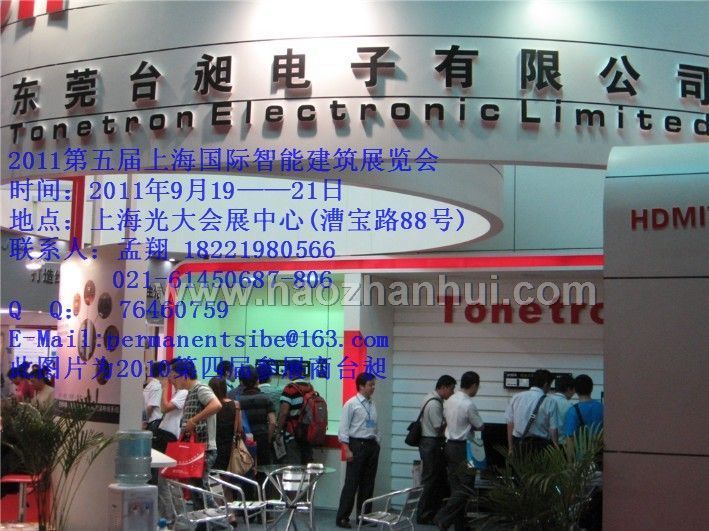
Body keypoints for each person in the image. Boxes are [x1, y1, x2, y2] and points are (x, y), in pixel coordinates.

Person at [434, 371, 484, 531]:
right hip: (464, 448)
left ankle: (460, 525)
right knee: (467, 486)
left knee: (456, 486)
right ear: (474, 385)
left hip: (449, 446)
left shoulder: (449, 400)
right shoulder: (468, 404)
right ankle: (443, 517)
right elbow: (480, 425)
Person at [171, 357, 222, 510]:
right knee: (197, 491)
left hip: (204, 448)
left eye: (175, 376)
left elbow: (216, 405)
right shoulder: (190, 392)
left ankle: (219, 520)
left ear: (185, 375)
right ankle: (208, 519)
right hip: (197, 448)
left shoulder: (201, 389)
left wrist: (193, 420)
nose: (172, 380)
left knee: (201, 491)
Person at [335, 373, 379, 529]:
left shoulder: (372, 403)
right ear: (361, 386)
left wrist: (377, 441)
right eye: (370, 385)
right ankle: (342, 517)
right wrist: (346, 449)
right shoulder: (351, 404)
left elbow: (374, 426)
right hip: (357, 445)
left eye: (373, 384)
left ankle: (365, 517)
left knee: (368, 483)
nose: (373, 387)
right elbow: (343, 429)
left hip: (371, 445)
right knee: (352, 483)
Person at [416, 374, 456, 525]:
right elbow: (438, 427)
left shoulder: (429, 398)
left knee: (433, 479)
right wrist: (449, 421)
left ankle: (429, 513)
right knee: (430, 480)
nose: (452, 392)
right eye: (451, 389)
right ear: (443, 387)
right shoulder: (434, 404)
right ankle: (424, 514)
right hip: (431, 443)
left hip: (428, 443)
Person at [154, 361, 188, 519]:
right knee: (164, 479)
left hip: (169, 438)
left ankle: (174, 516)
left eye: (172, 373)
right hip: (166, 436)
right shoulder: (179, 392)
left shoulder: (183, 393)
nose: (169, 376)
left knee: (167, 479)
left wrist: (164, 388)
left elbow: (164, 408)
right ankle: (170, 516)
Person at [505, 369, 559, 456]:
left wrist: (510, 448)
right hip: (540, 446)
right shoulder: (550, 402)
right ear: (546, 384)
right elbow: (553, 429)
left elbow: (510, 424)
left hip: (519, 443)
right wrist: (556, 449)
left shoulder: (516, 397)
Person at [237, 365, 276, 468]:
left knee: (247, 471)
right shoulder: (266, 398)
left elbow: (238, 425)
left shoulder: (238, 401)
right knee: (264, 471)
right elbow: (272, 422)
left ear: (241, 382)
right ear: (257, 380)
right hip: (263, 439)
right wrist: (268, 439)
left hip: (245, 442)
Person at [278, 360, 315, 465]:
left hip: (293, 434)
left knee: (294, 467)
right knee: (306, 466)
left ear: (289, 372)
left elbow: (284, 413)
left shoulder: (290, 388)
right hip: (307, 433)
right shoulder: (310, 388)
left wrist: (278, 432)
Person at [549, 374, 575, 443]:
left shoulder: (546, 401)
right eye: (574, 390)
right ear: (569, 389)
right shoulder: (570, 406)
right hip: (563, 444)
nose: (574, 393)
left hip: (546, 444)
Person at [143, 362, 163, 432]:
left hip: (150, 422)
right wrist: (146, 420)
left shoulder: (149, 385)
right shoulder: (157, 386)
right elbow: (150, 406)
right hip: (154, 422)